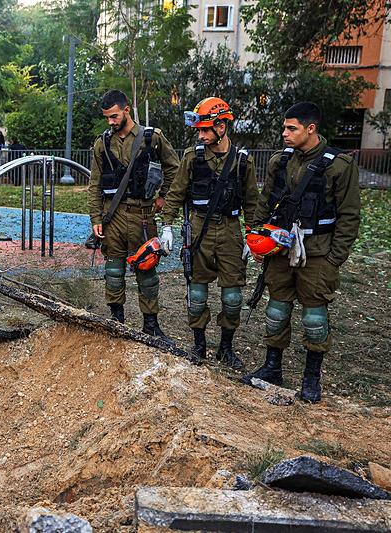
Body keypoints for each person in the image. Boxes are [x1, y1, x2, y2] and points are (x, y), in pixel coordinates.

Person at [240, 102, 361, 403]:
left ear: (311, 129)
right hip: (279, 250)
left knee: (314, 318)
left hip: (318, 253)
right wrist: (255, 236)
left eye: (291, 128)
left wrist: (335, 259)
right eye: (284, 128)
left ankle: (311, 377)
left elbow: (349, 216)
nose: (284, 133)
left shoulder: (339, 165)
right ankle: (272, 368)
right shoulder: (279, 162)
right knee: (276, 310)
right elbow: (265, 201)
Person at [160, 97, 259, 368]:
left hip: (230, 231)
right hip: (199, 229)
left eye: (206, 129)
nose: (201, 135)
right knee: (197, 295)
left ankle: (226, 348)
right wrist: (166, 225)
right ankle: (199, 345)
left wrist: (252, 234)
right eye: (199, 130)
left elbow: (252, 201)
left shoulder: (242, 162)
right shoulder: (192, 157)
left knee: (232, 297)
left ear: (222, 127)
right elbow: (176, 193)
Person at [87, 89, 180, 341]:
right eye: (107, 118)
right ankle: (117, 322)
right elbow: (94, 184)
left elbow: (175, 170)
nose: (111, 122)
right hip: (112, 217)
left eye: (114, 116)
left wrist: (163, 197)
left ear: (126, 110)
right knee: (114, 272)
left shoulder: (152, 139)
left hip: (142, 216)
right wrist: (96, 218)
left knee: (146, 270)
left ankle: (151, 325)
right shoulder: (102, 143)